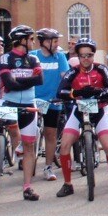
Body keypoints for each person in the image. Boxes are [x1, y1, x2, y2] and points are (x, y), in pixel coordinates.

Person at [0, 25, 44, 202]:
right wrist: (24, 81)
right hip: (8, 103)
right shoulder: (6, 58)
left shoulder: (34, 59)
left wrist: (17, 81)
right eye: (31, 39)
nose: (33, 42)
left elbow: (39, 80)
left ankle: (27, 187)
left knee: (29, 147)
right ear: (22, 40)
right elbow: (9, 82)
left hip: (28, 105)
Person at [55, 38, 108, 195]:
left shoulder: (101, 69)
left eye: (89, 55)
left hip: (99, 110)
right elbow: (61, 91)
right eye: (82, 55)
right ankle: (67, 184)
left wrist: (101, 92)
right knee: (65, 145)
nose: (86, 59)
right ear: (78, 56)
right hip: (79, 111)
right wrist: (75, 93)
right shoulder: (73, 71)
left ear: (94, 56)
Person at [31, 29, 71, 182]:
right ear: (44, 42)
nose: (57, 44)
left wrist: (66, 93)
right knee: (28, 130)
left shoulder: (60, 57)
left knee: (50, 134)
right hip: (34, 100)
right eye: (54, 41)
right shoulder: (33, 56)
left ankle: (48, 167)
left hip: (53, 101)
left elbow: (65, 77)